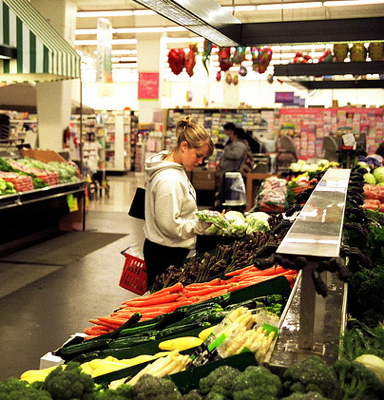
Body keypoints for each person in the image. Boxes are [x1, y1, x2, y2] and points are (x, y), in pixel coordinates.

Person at [143, 116, 214, 289]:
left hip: (164, 250)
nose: (200, 162)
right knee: (161, 307)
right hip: (166, 255)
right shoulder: (169, 180)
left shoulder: (174, 167)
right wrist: (201, 224)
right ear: (184, 146)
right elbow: (171, 227)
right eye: (198, 156)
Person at [216, 127, 248, 207]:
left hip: (232, 170)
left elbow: (236, 155)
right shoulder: (236, 144)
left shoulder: (240, 144)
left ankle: (225, 207)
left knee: (228, 191)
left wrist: (226, 149)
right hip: (228, 170)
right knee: (224, 190)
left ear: (235, 135)